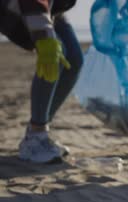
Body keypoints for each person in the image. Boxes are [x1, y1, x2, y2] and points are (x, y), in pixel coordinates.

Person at [0, 0, 82, 163]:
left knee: (74, 59)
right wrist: (44, 37)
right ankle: (36, 136)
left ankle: (39, 133)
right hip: (24, 5)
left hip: (53, 7)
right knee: (54, 55)